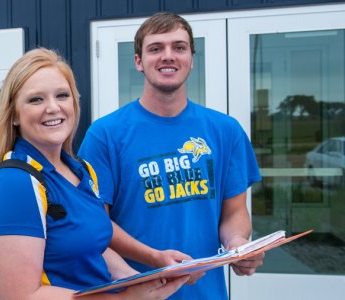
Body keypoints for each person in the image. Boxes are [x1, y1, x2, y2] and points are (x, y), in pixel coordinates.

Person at [77, 12, 264, 299]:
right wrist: (156, 260)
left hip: (207, 293)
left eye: (179, 47)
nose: (168, 56)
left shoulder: (225, 130)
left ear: (190, 57)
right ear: (138, 61)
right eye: (156, 48)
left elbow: (235, 213)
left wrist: (237, 243)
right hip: (135, 293)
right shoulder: (105, 135)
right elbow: (94, 225)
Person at [0, 47, 188, 299]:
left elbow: (92, 246)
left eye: (62, 95)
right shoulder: (15, 184)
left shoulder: (81, 170)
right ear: (14, 114)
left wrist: (140, 277)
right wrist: (125, 299)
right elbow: (22, 296)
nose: (53, 107)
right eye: (36, 99)